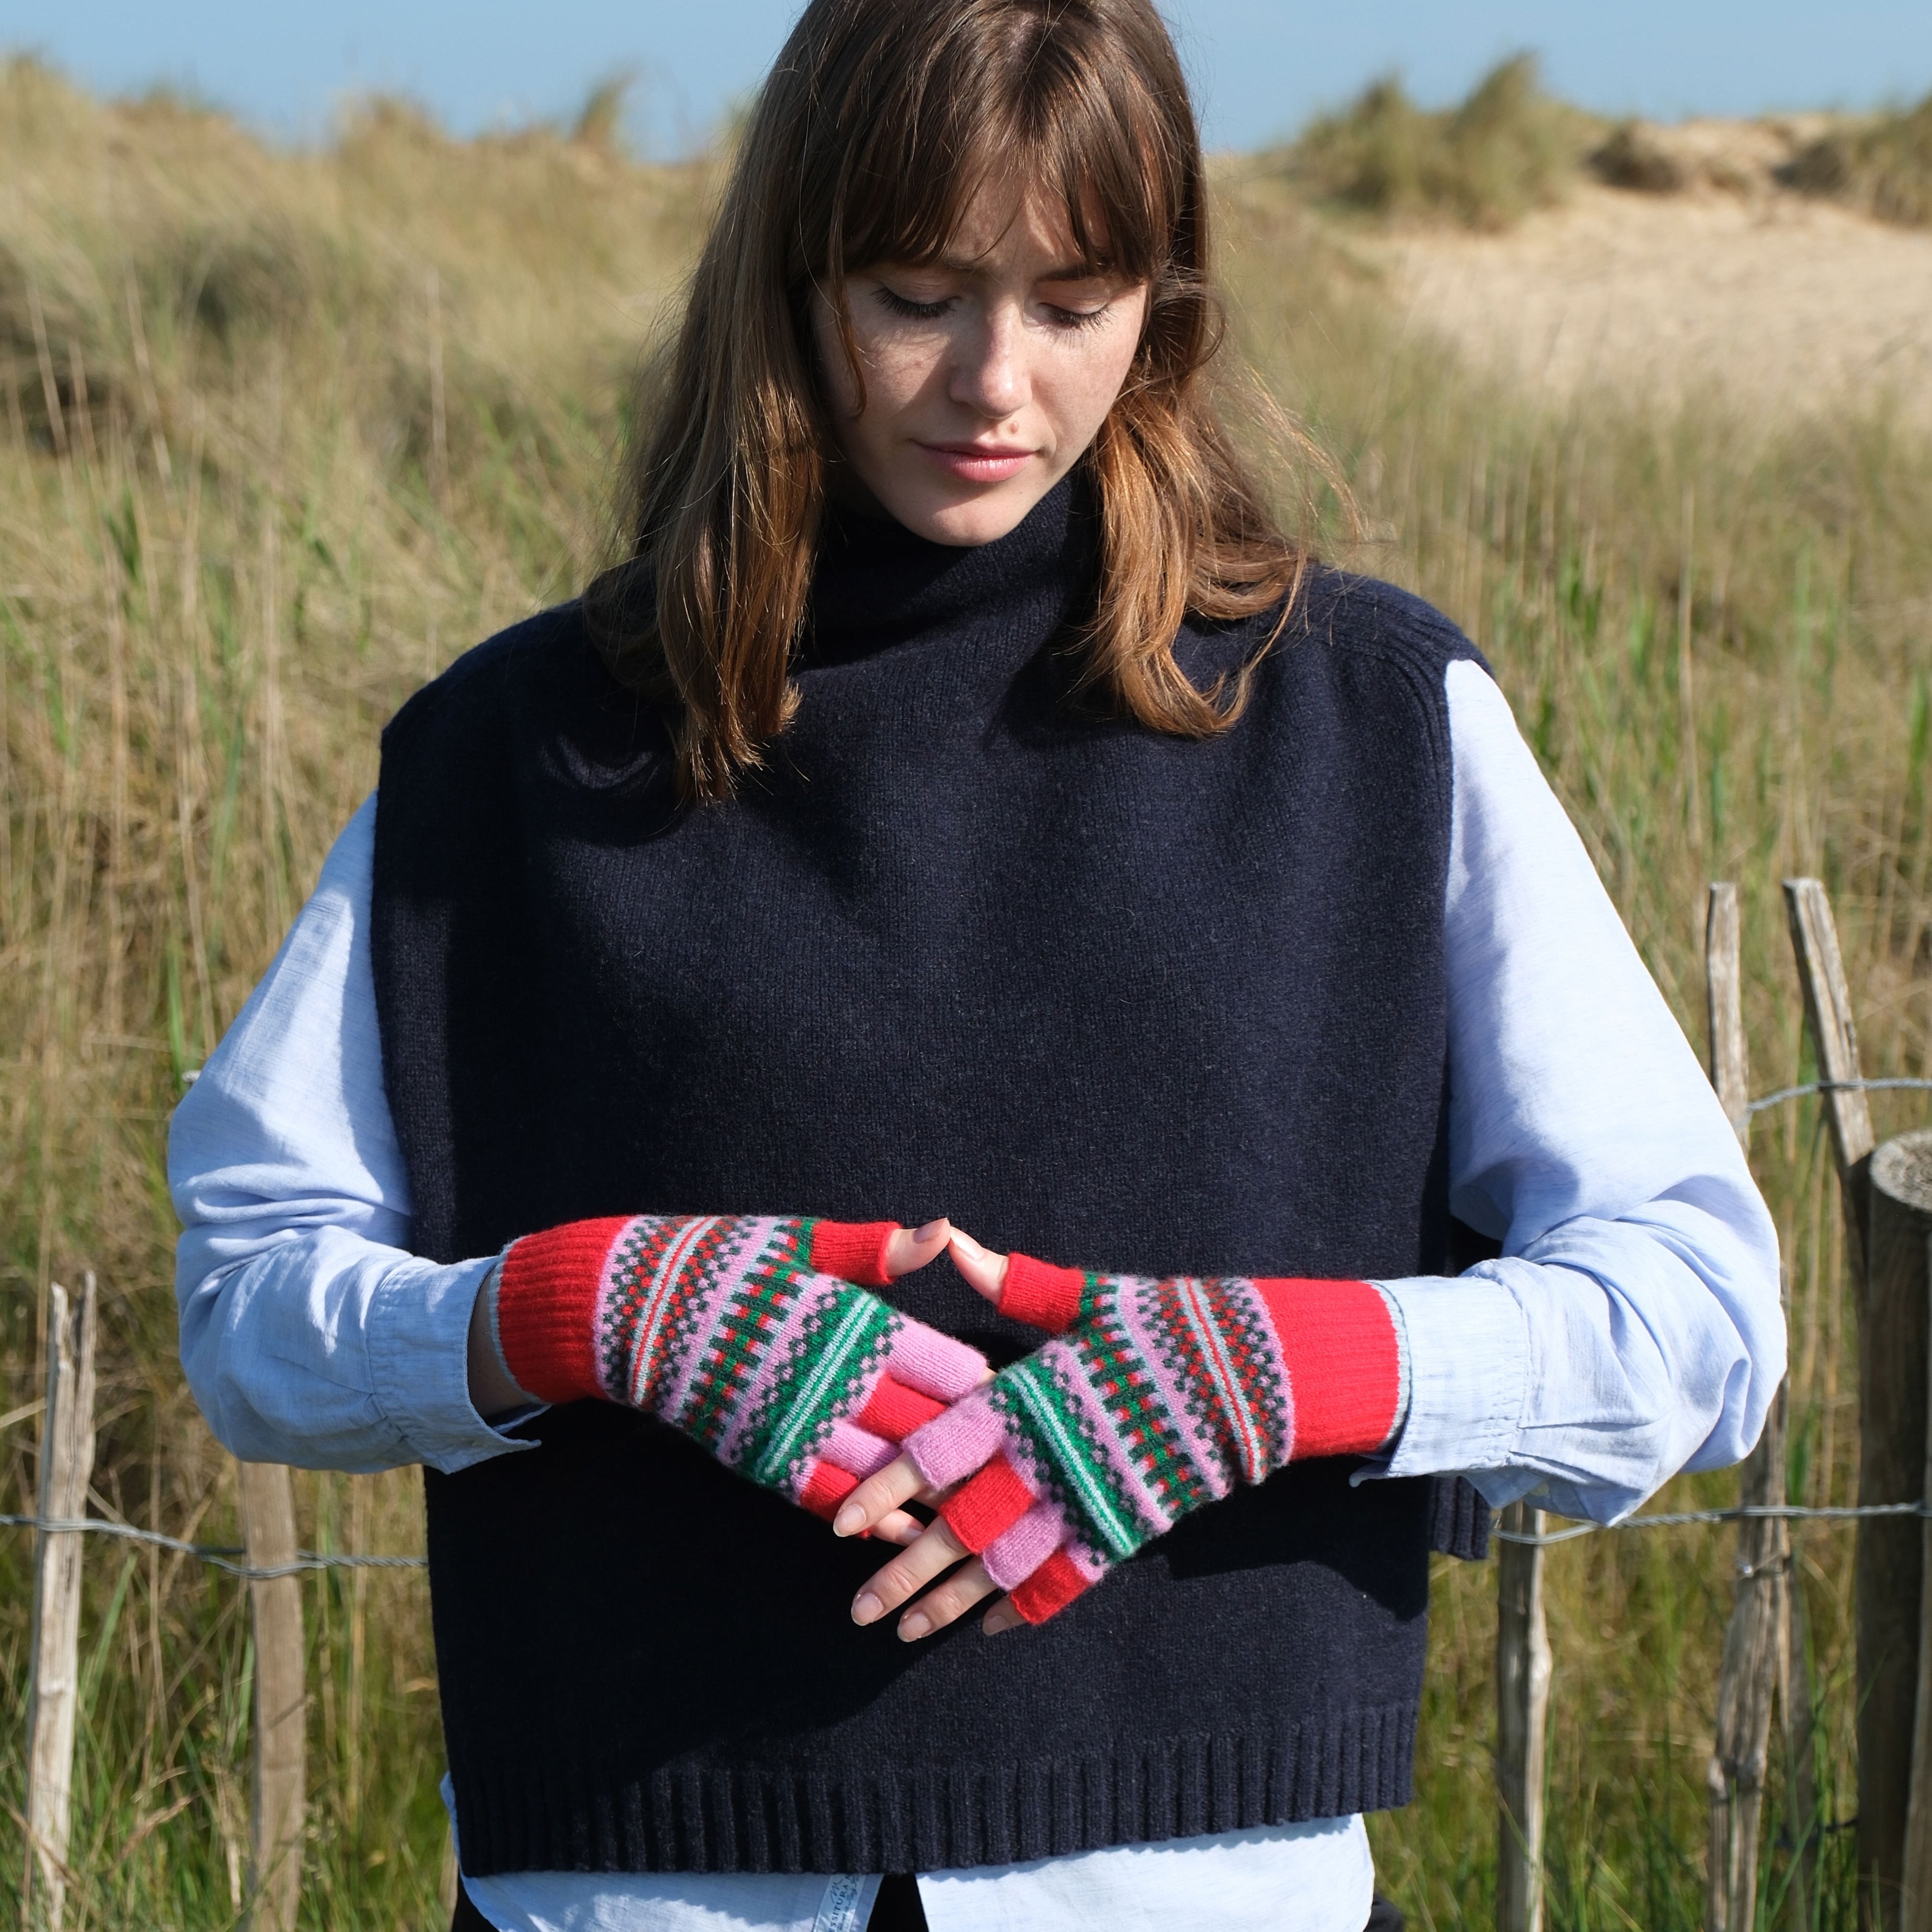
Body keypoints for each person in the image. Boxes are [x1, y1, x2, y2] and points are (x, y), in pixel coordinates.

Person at [168, 2, 1784, 1929]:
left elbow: (1693, 1315)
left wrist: (1283, 1369)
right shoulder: (516, 751)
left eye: (1077, 297)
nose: (995, 380)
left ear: (1164, 310)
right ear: (796, 283)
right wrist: (578, 1312)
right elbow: (252, 1307)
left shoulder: (1366, 718)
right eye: (918, 293)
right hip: (639, 1892)